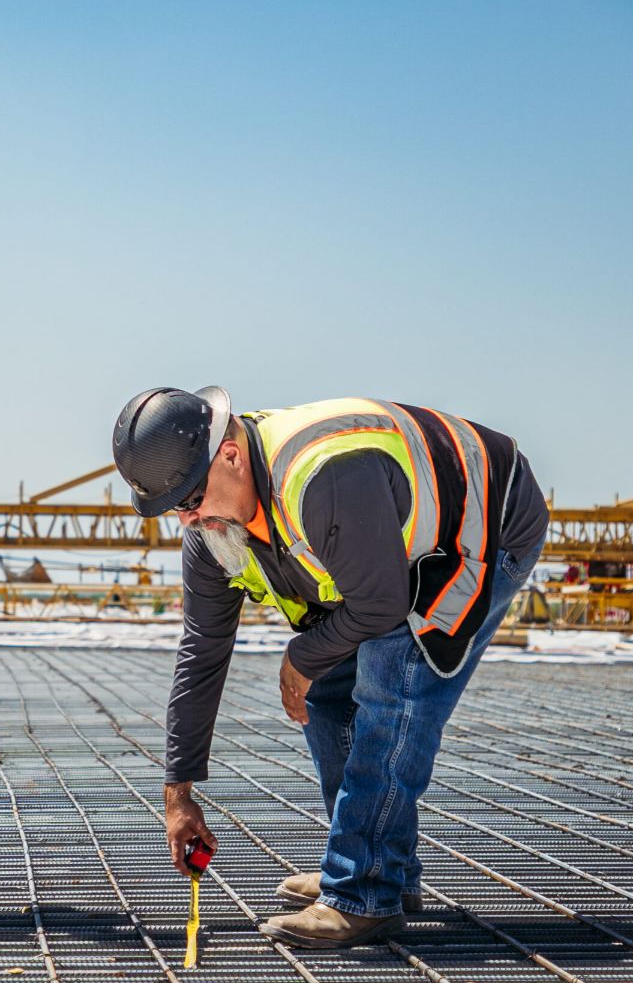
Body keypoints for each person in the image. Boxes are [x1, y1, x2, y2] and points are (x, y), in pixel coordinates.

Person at [112, 388, 549, 947]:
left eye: (192, 496)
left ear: (229, 454)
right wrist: (178, 796)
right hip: (382, 556)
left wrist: (301, 657)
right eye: (174, 506)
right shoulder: (212, 534)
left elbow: (382, 607)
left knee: (394, 691)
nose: (190, 517)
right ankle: (377, 864)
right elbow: (201, 652)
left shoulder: (321, 477)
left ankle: (364, 891)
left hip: (483, 521)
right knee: (328, 697)